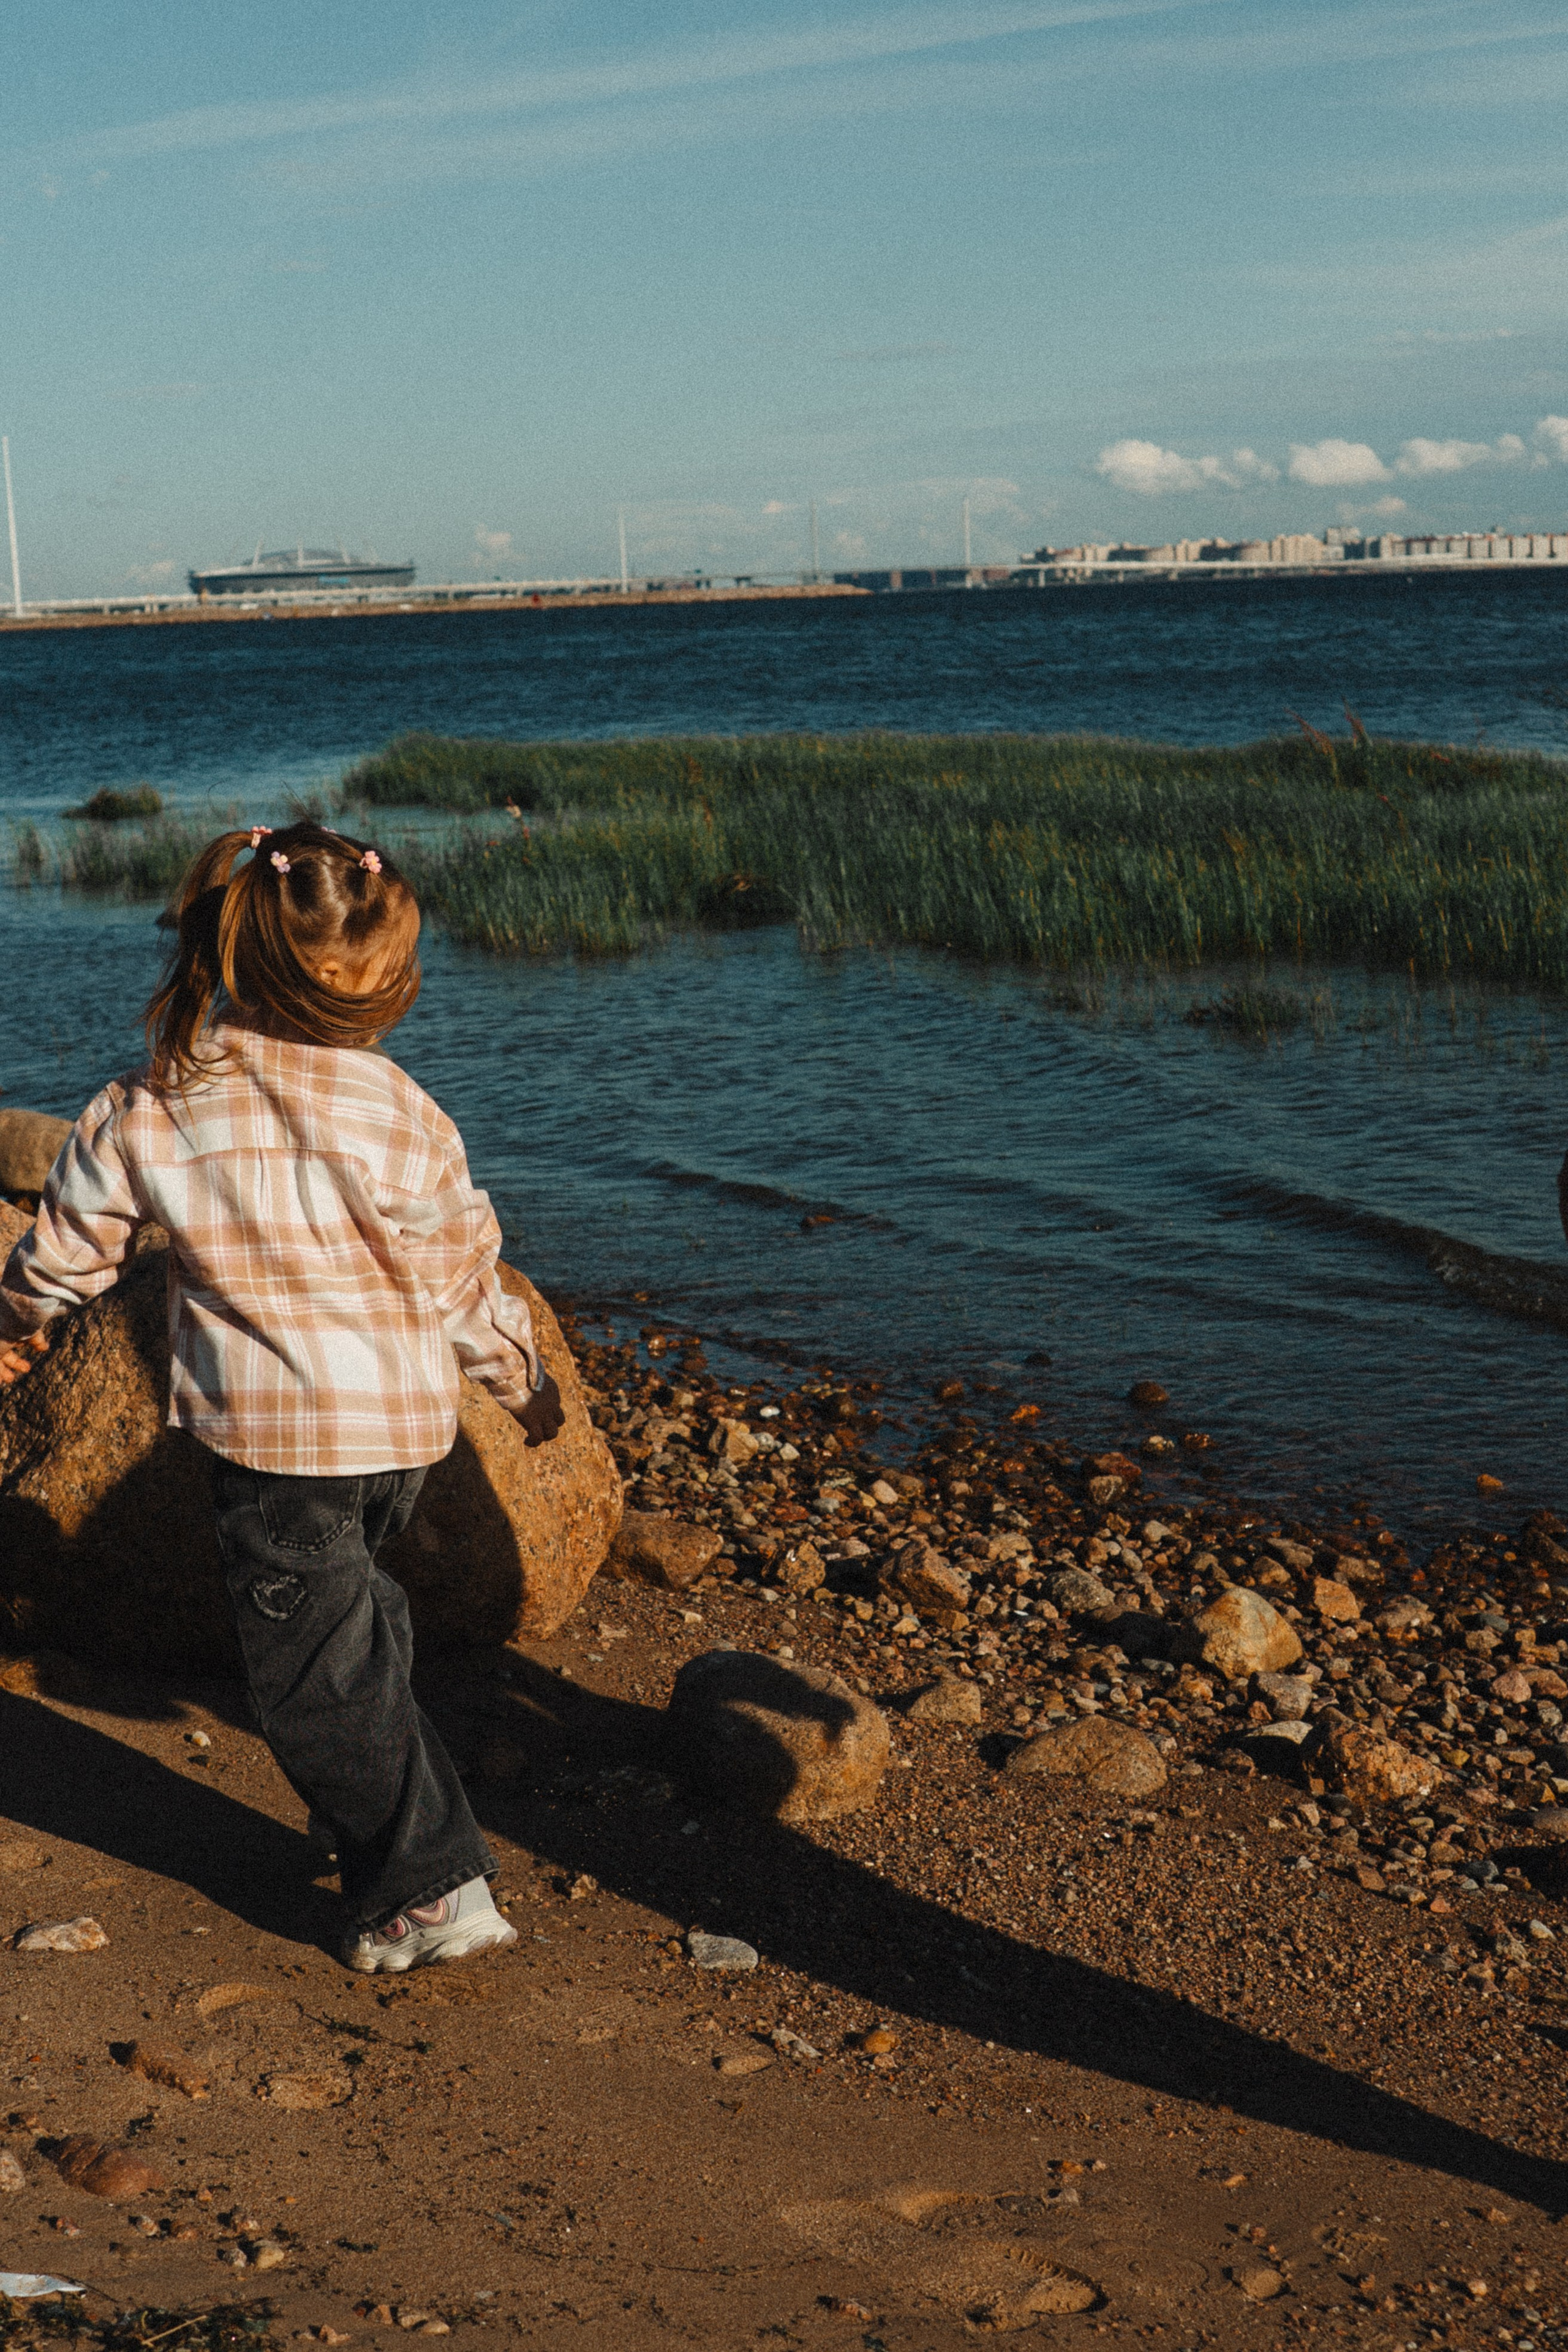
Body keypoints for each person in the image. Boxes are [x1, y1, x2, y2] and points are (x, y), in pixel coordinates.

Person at [0, 820, 564, 1972]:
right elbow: (466, 1278)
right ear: (386, 987)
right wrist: (525, 1382)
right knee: (352, 1627)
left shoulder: (153, 1102)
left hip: (276, 1451)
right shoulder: (405, 1110)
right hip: (406, 1436)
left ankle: (432, 1885)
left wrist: (17, 1327)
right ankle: (375, 1801)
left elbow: (66, 1255)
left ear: (230, 950)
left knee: (307, 1680)